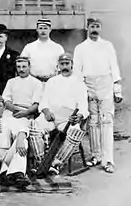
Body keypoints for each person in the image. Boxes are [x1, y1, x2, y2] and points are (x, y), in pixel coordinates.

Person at [74, 18, 123, 173]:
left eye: (97, 26)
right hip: (88, 86)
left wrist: (117, 89)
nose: (94, 29)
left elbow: (113, 66)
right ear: (87, 28)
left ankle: (108, 160)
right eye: (92, 26)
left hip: (106, 85)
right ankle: (96, 156)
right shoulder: (81, 48)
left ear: (100, 28)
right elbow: (77, 70)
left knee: (106, 122)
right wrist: (81, 90)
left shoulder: (107, 46)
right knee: (93, 123)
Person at [32, 53, 89, 173]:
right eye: (62, 64)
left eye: (67, 63)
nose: (64, 67)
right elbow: (43, 102)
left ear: (72, 65)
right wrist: (46, 111)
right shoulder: (51, 81)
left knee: (76, 131)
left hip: (67, 119)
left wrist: (79, 116)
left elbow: (84, 107)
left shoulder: (79, 83)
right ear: (58, 65)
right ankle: (41, 163)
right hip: (51, 117)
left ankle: (56, 164)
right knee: (34, 127)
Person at [2, 56, 42, 128]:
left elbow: (36, 104)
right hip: (11, 111)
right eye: (18, 67)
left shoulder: (36, 83)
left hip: (27, 113)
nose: (21, 69)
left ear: (29, 67)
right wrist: (14, 109)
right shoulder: (11, 82)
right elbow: (6, 100)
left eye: (24, 67)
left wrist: (26, 113)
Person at [21, 18, 64, 83]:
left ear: (50, 29)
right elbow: (22, 65)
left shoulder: (58, 48)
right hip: (33, 82)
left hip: (52, 82)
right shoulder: (29, 47)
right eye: (40, 28)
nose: (43, 31)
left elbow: (63, 67)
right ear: (37, 29)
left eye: (45, 28)